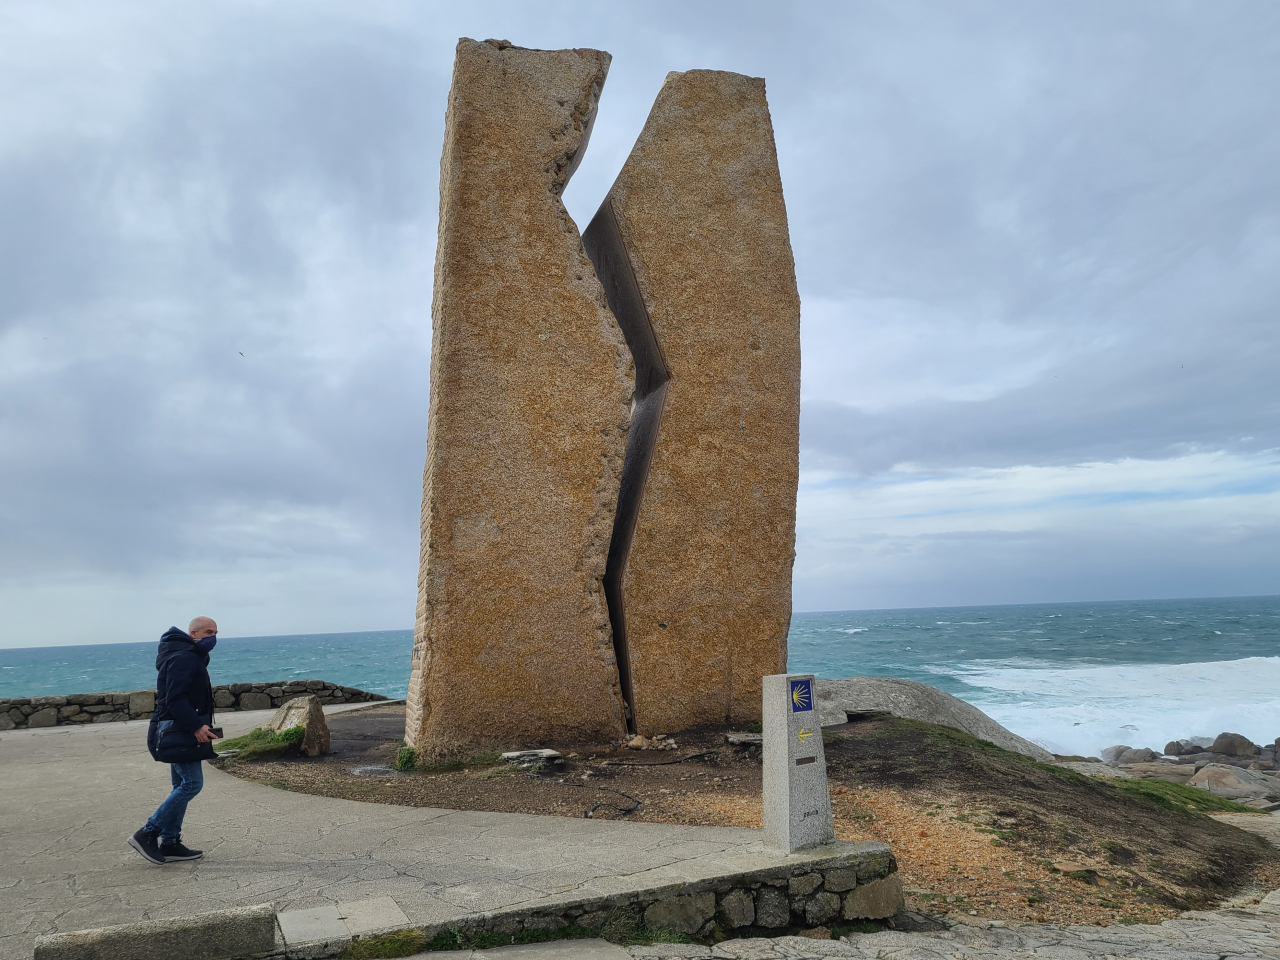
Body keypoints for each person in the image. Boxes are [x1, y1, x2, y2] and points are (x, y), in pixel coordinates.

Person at [128, 616, 222, 865]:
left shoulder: (186, 654)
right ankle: (147, 833)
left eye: (215, 632)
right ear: (193, 633)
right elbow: (175, 698)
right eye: (209, 632)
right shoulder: (184, 657)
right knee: (191, 784)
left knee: (180, 784)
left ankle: (170, 843)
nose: (214, 637)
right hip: (180, 731)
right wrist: (196, 726)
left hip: (179, 730)